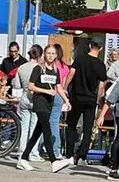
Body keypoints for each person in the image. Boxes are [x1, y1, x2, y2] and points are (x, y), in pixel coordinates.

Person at [16, 44, 68, 172]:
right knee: (47, 129)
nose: (50, 56)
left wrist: (66, 100)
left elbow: (58, 87)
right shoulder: (38, 68)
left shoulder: (55, 70)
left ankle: (23, 159)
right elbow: (31, 86)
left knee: (36, 132)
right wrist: (46, 91)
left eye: (53, 53)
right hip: (39, 101)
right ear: (44, 54)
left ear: (56, 56)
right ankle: (54, 161)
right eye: (48, 53)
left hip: (49, 103)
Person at [59, 38, 109, 172]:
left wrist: (65, 87)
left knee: (71, 126)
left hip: (76, 97)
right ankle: (82, 155)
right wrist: (98, 98)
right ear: (101, 49)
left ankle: (69, 154)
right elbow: (101, 85)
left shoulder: (80, 59)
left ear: (90, 46)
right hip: (90, 99)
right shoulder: (100, 65)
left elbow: (71, 73)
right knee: (87, 129)